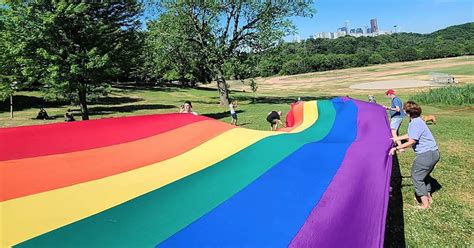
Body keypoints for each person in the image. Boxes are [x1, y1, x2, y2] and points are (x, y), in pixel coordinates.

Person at [389, 101, 440, 209]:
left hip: (426, 155)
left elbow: (411, 141)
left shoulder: (415, 123)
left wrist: (397, 148)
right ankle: (428, 197)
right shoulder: (418, 120)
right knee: (423, 175)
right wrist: (397, 138)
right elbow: (412, 134)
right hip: (433, 153)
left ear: (407, 112)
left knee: (417, 176)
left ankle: (425, 204)